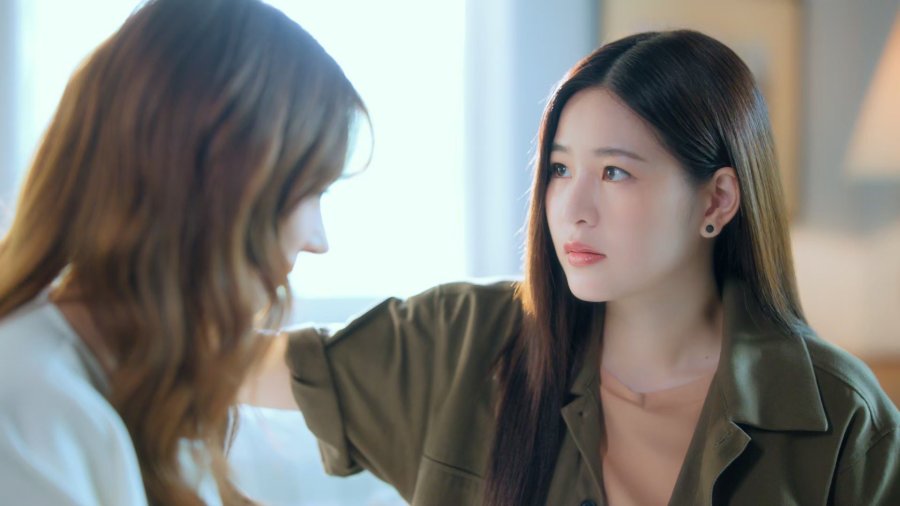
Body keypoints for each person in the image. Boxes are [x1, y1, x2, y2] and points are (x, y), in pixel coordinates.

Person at [279, 30, 900, 505]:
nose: (572, 208)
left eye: (614, 172)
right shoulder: (464, 339)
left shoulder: (843, 420)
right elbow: (234, 364)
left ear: (716, 200)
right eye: (559, 168)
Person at [0, 0, 365, 504]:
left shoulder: (134, 387)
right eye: (313, 190)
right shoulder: (29, 411)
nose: (318, 240)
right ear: (218, 182)